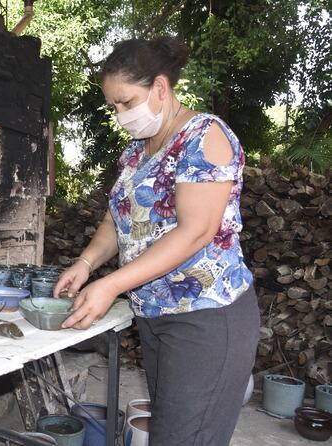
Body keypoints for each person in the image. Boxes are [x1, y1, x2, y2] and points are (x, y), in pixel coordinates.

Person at [53, 37, 260, 445]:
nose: (120, 115)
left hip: (206, 317)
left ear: (161, 89)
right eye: (113, 106)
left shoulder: (206, 136)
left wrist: (111, 284)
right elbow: (119, 218)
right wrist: (86, 263)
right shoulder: (136, 152)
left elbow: (196, 231)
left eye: (126, 103)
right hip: (158, 317)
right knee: (169, 432)